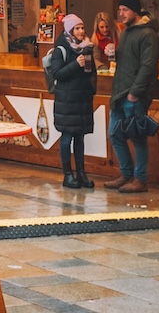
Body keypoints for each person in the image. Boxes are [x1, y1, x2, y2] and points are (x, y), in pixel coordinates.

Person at [104, 0, 159, 194]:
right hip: (119, 92)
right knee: (114, 134)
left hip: (133, 94)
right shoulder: (126, 32)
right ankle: (126, 174)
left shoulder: (148, 35)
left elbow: (148, 66)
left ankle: (141, 179)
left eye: (125, 9)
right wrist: (112, 52)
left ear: (135, 11)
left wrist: (135, 93)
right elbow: (126, 59)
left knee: (138, 137)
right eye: (120, 9)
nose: (121, 13)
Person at [50, 13, 96, 189]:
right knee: (67, 136)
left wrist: (92, 88)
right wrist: (75, 64)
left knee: (80, 138)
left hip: (83, 98)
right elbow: (57, 73)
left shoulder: (87, 48)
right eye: (77, 28)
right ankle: (67, 174)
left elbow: (91, 71)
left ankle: (81, 174)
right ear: (69, 30)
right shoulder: (61, 48)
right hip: (67, 100)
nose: (81, 31)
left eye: (82, 27)